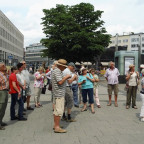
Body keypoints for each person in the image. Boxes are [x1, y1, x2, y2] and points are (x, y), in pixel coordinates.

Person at [52, 59, 71, 133]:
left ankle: (56, 125)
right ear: (61, 66)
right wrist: (66, 77)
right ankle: (57, 127)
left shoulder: (58, 71)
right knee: (59, 111)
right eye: (64, 67)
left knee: (56, 110)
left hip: (58, 93)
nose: (65, 68)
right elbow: (60, 82)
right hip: (59, 94)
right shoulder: (57, 71)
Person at [0, 62, 9, 130]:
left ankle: (1, 121)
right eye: (3, 66)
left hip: (6, 91)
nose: (5, 66)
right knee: (0, 107)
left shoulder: (5, 74)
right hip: (1, 92)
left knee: (4, 107)